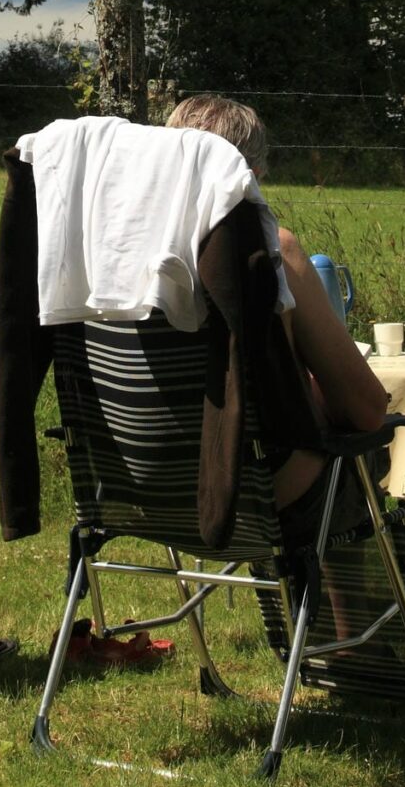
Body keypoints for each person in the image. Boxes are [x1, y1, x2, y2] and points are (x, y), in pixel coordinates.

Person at [161, 95, 390, 529]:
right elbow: (367, 410)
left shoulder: (112, 263)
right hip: (256, 489)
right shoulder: (272, 252)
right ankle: (362, 575)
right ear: (252, 175)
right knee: (366, 450)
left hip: (141, 485)